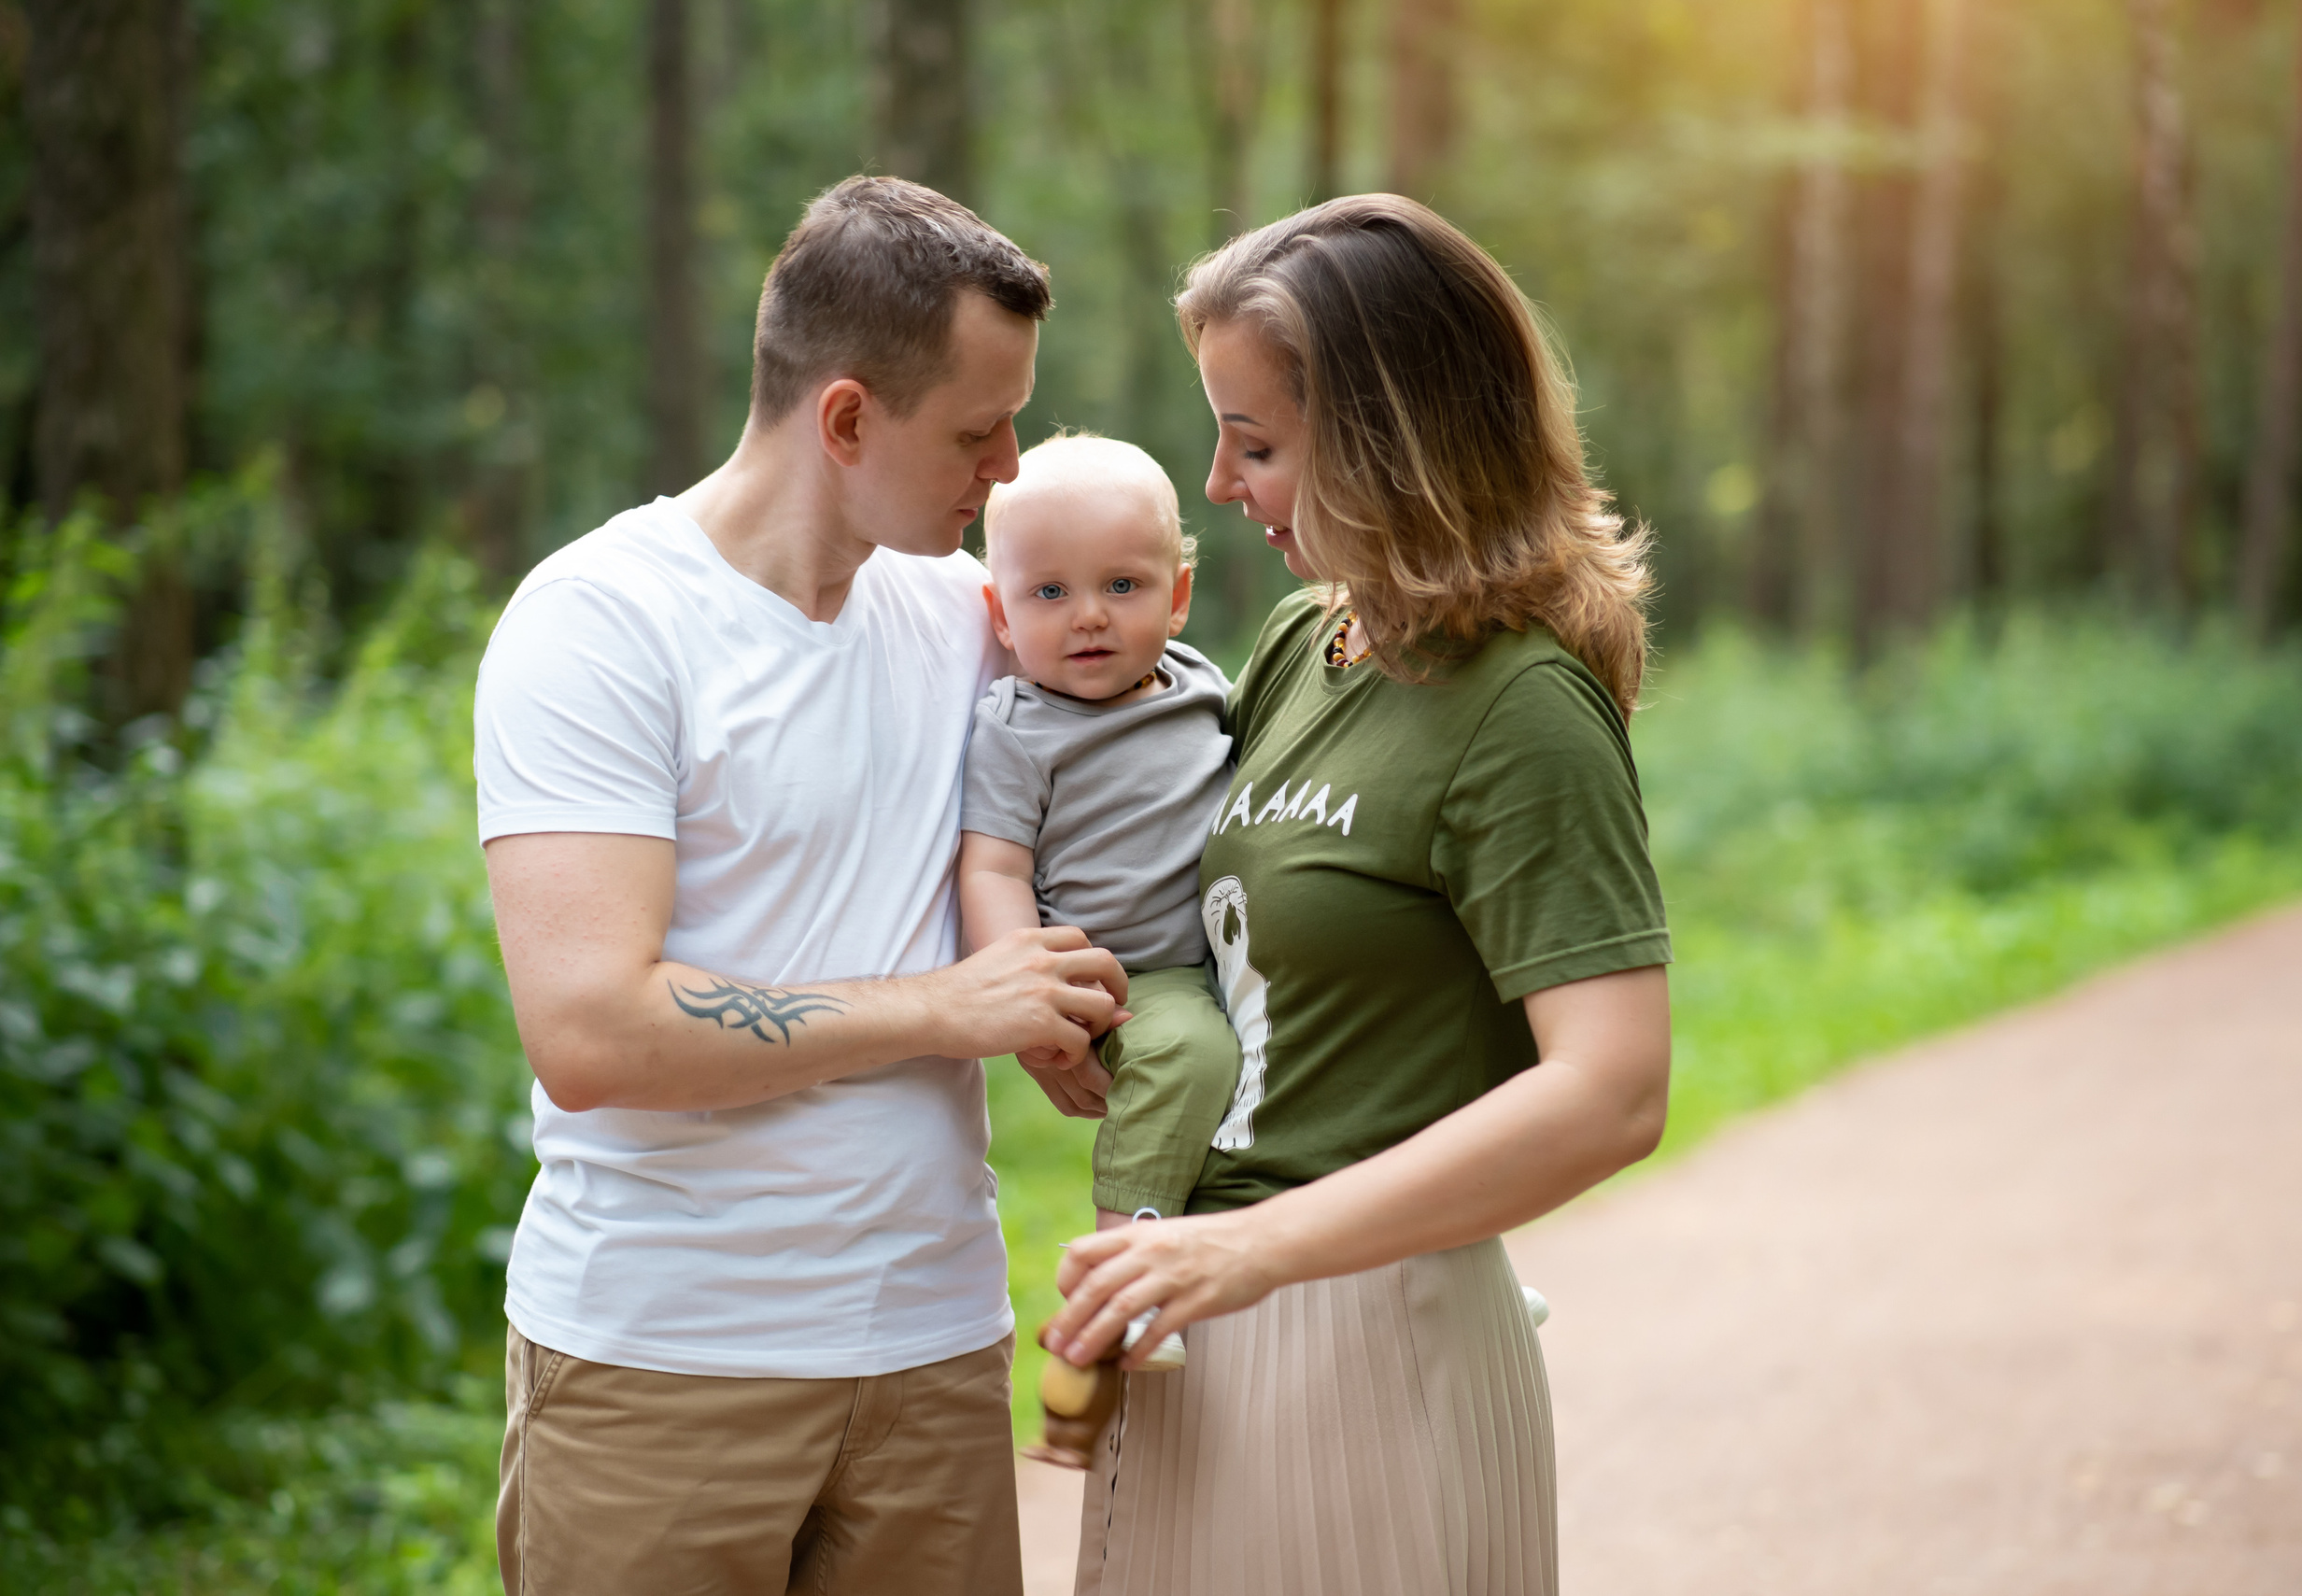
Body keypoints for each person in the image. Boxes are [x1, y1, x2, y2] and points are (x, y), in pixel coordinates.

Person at [472, 176, 1130, 1596]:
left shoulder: (967, 615)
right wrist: (949, 1007)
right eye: (975, 429)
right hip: (664, 1367)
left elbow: (1148, 759)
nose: (1009, 466)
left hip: (935, 1360)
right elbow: (593, 1033)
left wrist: (1091, 1010)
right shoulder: (599, 625)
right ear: (844, 419)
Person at [1042, 194, 1674, 1594]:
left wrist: (1255, 1250)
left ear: (1393, 440)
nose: (1217, 484)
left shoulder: (1523, 708)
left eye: (1256, 442)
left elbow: (1614, 1088)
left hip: (1372, 1328)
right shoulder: (1299, 640)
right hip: (1209, 1318)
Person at [956, 433, 1244, 1378]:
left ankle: (1437, 1253)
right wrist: (1031, 1001)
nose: (1088, 617)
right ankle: (1123, 1283)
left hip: (1238, 950)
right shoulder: (1020, 728)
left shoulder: (1203, 685)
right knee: (1186, 1054)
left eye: (1123, 586)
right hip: (1132, 975)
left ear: (1177, 595)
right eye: (1049, 593)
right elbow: (993, 868)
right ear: (1000, 612)